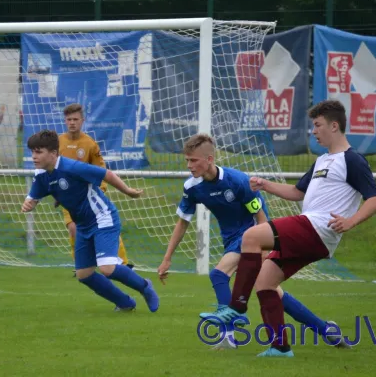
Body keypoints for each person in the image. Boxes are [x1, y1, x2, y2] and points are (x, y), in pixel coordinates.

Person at [209, 100, 376, 357]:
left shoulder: (352, 160)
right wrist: (266, 184)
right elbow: (296, 192)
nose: (314, 131)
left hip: (318, 227)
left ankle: (236, 305)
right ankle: (280, 349)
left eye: (318, 125)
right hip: (311, 231)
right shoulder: (323, 160)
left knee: (251, 236)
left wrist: (350, 221)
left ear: (334, 126)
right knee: (265, 282)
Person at [157, 133, 346, 350]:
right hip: (230, 241)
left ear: (209, 159)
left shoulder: (237, 181)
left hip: (251, 237)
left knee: (219, 274)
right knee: (274, 293)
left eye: (193, 160)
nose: (189, 165)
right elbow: (182, 223)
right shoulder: (192, 187)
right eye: (187, 160)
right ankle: (327, 331)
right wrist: (167, 258)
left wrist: (263, 249)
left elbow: (261, 217)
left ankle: (228, 336)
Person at [21, 129, 159, 312]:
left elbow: (106, 174)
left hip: (103, 218)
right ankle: (125, 302)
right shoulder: (42, 174)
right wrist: (29, 203)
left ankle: (145, 286)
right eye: (32, 152)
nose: (34, 156)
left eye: (39, 152)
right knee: (84, 274)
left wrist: (128, 191)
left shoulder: (72, 167)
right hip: (84, 225)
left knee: (107, 268)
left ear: (53, 153)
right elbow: (34, 195)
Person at [58, 103, 132, 274]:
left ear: (82, 120)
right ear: (65, 121)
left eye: (75, 119)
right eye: (69, 119)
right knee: (74, 229)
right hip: (68, 198)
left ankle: (123, 262)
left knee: (105, 227)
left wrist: (102, 189)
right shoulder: (59, 143)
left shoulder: (89, 144)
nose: (72, 123)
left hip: (89, 199)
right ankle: (81, 265)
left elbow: (101, 170)